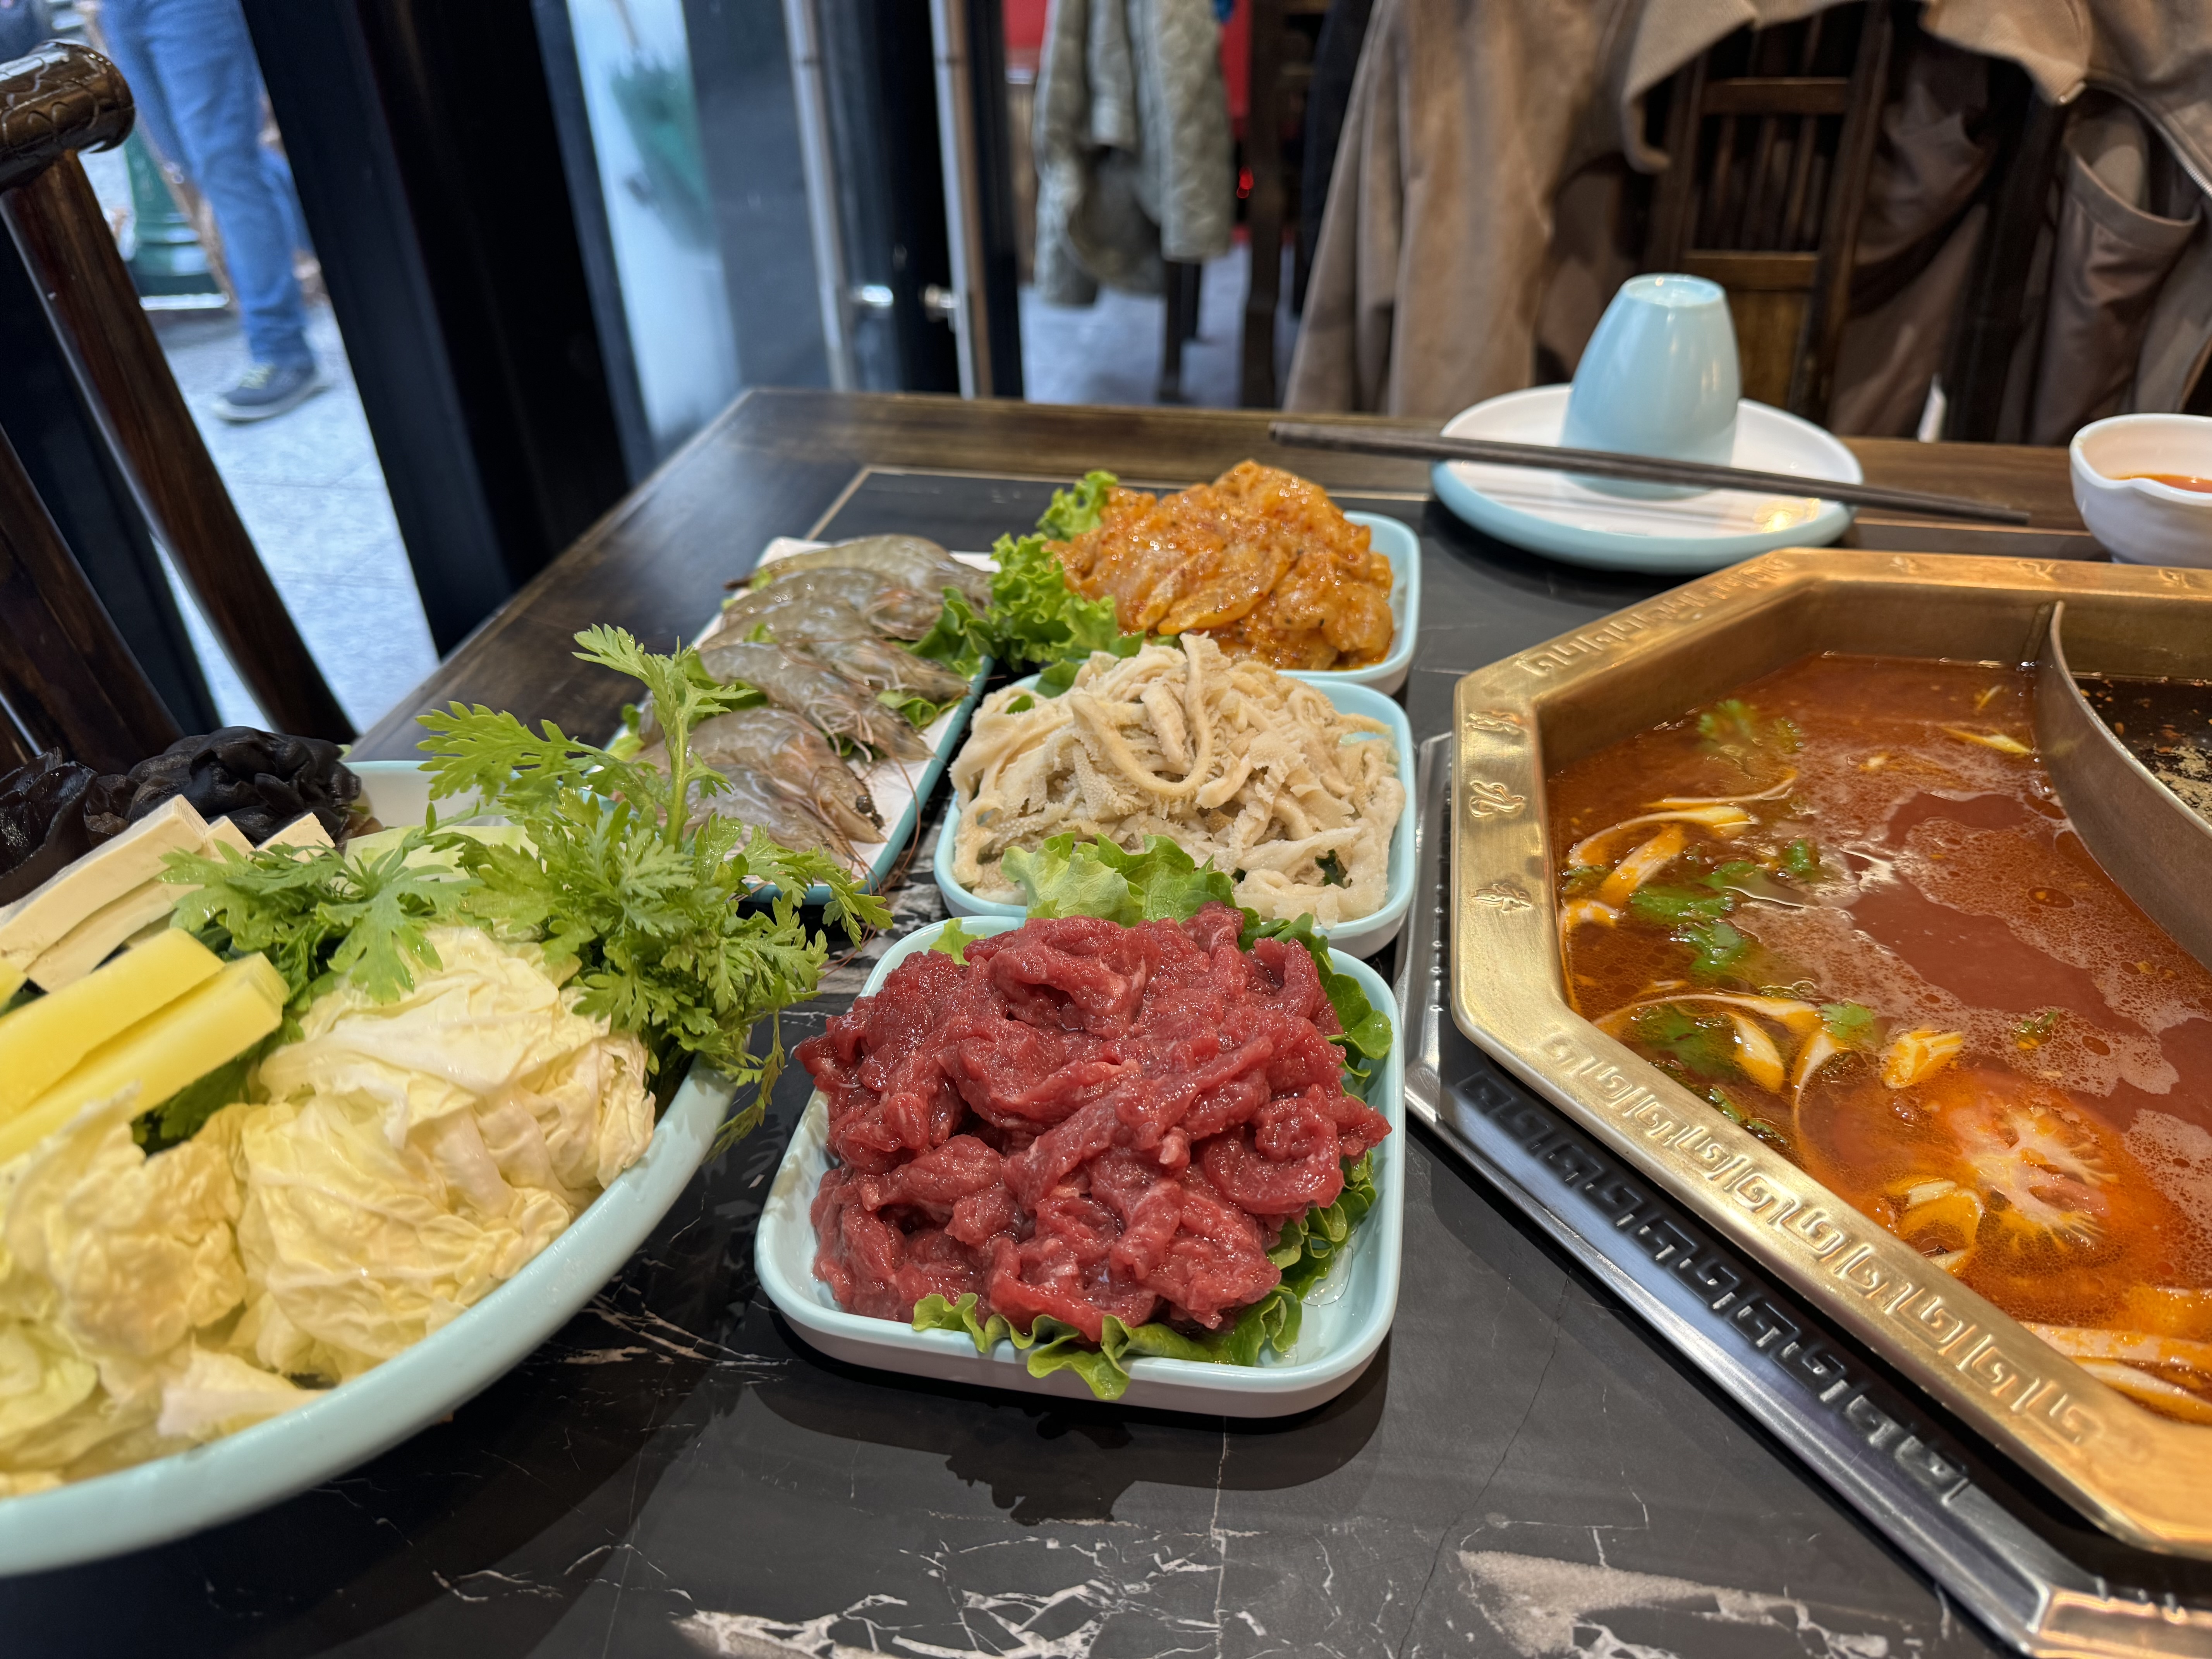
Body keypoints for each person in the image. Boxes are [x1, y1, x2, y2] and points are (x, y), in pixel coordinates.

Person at [96, 0, 322, 421]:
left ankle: (281, 350)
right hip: (120, 10)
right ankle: (360, 255)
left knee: (226, 166)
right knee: (201, 163)